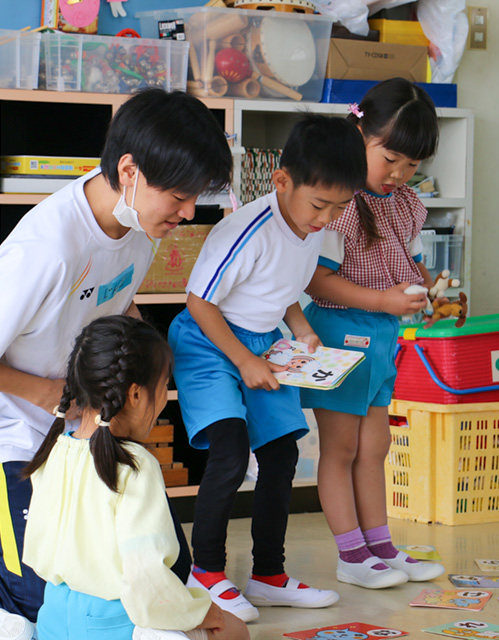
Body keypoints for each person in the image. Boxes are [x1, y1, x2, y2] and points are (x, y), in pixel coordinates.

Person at [0, 89, 233, 638]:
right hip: (9, 433)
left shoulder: (140, 223)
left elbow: (115, 300)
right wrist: (43, 393)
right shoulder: (49, 247)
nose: (189, 212)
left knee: (170, 565)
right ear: (129, 170)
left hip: (77, 431)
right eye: (179, 196)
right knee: (34, 600)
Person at [168, 114, 367, 622]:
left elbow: (282, 288)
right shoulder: (247, 230)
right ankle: (206, 573)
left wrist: (300, 327)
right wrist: (243, 360)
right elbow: (199, 303)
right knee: (231, 451)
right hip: (211, 340)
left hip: (264, 341)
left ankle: (268, 576)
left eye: (340, 207)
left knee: (281, 454)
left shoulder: (312, 227)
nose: (326, 218)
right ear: (281, 180)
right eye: (319, 204)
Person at [301, 78, 447, 589]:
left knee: (376, 446)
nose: (400, 174)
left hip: (382, 335)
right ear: (359, 133)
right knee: (340, 448)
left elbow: (408, 264)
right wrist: (385, 300)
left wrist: (437, 291)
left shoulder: (403, 202)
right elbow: (318, 280)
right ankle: (350, 554)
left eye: (412, 165)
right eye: (391, 158)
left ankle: (379, 546)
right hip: (340, 333)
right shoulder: (337, 202)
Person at [22, 315, 249, 640]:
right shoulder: (135, 463)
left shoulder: (53, 451)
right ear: (136, 395)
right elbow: (145, 575)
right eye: (164, 387)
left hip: (54, 619)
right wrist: (202, 610)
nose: (164, 400)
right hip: (117, 625)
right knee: (235, 630)